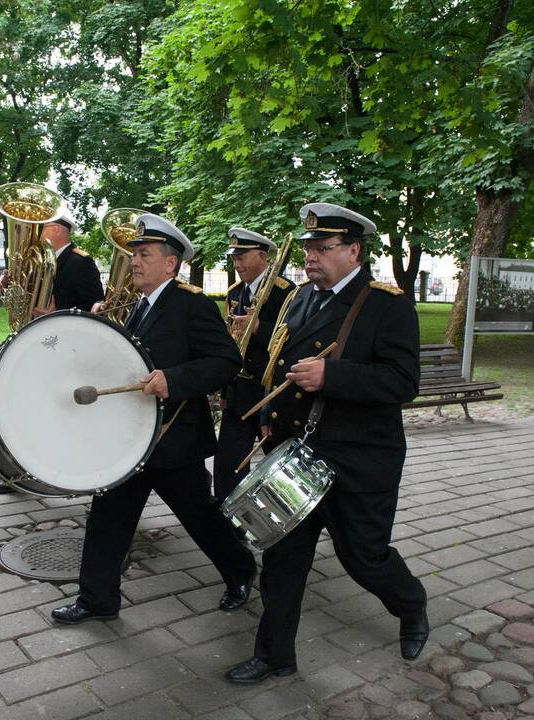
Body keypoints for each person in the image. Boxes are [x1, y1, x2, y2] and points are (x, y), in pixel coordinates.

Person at [226, 202, 427, 684]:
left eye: (323, 248)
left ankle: (411, 604)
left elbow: (403, 383)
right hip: (299, 453)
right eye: (309, 248)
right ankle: (275, 655)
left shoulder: (386, 304)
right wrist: (269, 422)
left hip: (360, 458)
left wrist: (331, 375)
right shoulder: (299, 298)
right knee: (282, 558)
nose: (310, 256)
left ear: (354, 250)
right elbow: (279, 364)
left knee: (364, 557)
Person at [51, 214, 257, 624]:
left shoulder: (192, 303)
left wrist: (175, 380)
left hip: (173, 437)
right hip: (131, 437)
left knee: (200, 517)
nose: (134, 263)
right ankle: (98, 599)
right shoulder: (139, 306)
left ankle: (240, 569)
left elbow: (226, 361)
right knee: (108, 516)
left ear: (170, 263)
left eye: (144, 254)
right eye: (133, 255)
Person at [0, 207, 105, 495]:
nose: (36, 232)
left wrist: (58, 313)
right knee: (23, 409)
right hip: (31, 344)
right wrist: (9, 287)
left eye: (40, 226)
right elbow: (19, 301)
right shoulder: (33, 260)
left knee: (49, 412)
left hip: (63, 352)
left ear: (55, 229)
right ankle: (19, 472)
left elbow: (96, 310)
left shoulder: (81, 262)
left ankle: (54, 469)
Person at [213, 227, 295, 501]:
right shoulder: (235, 293)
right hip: (239, 391)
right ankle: (228, 525)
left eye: (242, 257)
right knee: (227, 462)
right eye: (234, 259)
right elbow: (232, 347)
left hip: (269, 391)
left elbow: (294, 338)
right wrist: (225, 390)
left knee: (279, 462)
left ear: (262, 256)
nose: (237, 265)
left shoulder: (285, 291)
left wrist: (259, 327)